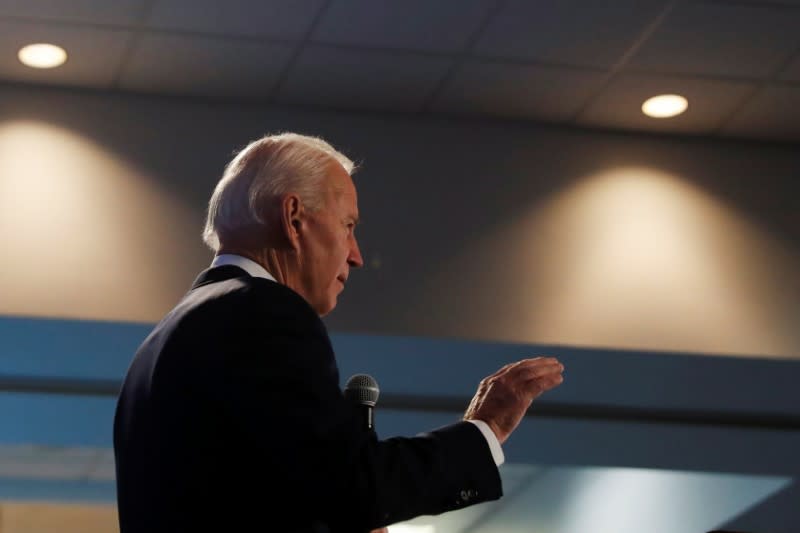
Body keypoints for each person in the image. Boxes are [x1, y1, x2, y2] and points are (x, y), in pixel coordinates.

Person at [113, 132, 565, 533]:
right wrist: (485, 430)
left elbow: (283, 491)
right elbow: (351, 489)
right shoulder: (264, 312)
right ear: (294, 219)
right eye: (348, 226)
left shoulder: (168, 336)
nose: (356, 255)